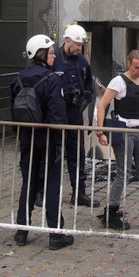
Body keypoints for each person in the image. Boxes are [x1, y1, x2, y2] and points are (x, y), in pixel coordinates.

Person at [11, 34, 74, 251]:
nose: (53, 54)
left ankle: (21, 231)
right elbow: (58, 114)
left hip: (28, 138)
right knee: (52, 183)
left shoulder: (19, 78)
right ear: (40, 54)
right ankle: (55, 234)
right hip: (49, 139)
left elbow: (14, 111)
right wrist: (62, 138)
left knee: (28, 183)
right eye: (50, 52)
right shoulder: (51, 79)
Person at [95, 49, 139, 234]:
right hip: (124, 132)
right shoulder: (118, 81)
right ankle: (112, 213)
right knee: (124, 174)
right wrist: (101, 132)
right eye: (136, 67)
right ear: (129, 64)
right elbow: (102, 105)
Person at [52, 23, 99, 208]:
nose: (80, 49)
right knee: (52, 153)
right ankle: (42, 191)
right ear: (68, 41)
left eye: (82, 45)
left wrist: (84, 102)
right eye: (78, 45)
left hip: (74, 113)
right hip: (56, 114)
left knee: (77, 155)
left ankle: (79, 192)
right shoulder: (53, 58)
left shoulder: (82, 61)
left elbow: (89, 86)